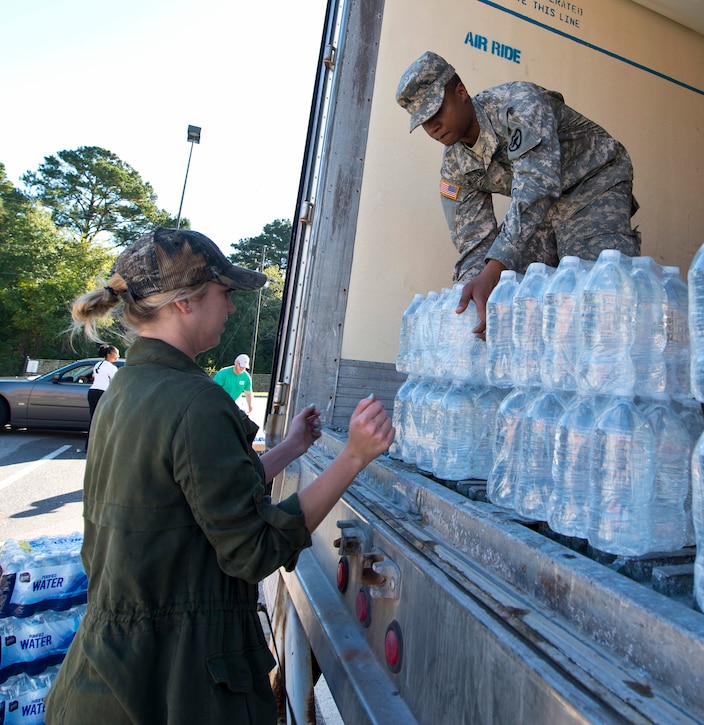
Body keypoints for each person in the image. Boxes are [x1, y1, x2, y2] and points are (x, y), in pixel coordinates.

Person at [47, 228, 395, 723]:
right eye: (224, 294)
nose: (231, 309)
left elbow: (194, 496)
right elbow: (253, 550)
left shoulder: (129, 388)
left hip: (109, 676)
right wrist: (353, 458)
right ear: (185, 302)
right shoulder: (196, 402)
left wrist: (292, 448)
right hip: (172, 683)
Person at [396, 51, 642, 335]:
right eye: (423, 121)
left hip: (592, 183)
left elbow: (536, 183)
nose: (432, 127)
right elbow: (474, 239)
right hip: (542, 208)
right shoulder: (454, 166)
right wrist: (471, 298)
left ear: (461, 92)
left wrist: (493, 270)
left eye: (436, 110)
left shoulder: (518, 104)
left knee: (596, 290)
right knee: (514, 291)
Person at [82, 343, 119, 452]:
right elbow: (116, 381)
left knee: (93, 419)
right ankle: (101, 447)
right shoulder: (111, 367)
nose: (117, 356)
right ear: (109, 354)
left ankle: (88, 446)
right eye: (116, 353)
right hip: (102, 393)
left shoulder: (98, 364)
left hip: (92, 391)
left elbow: (94, 378)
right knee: (104, 420)